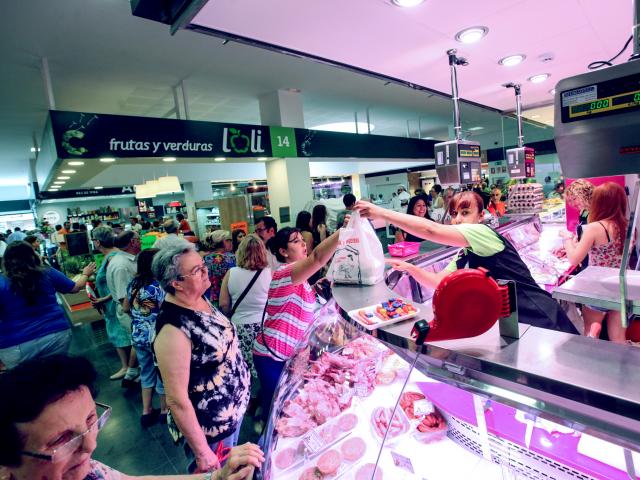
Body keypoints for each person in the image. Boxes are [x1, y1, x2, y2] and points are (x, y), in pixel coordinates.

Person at [0, 355, 264, 480]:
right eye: (62, 439)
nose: (91, 447)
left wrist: (214, 478)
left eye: (92, 420)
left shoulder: (88, 471)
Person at [356, 192, 578, 334]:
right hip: (517, 322)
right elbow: (438, 282)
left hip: (541, 315)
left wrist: (382, 213)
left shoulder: (483, 232)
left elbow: (432, 230)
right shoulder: (464, 253)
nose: (458, 219)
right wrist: (411, 269)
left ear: (481, 216)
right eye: (454, 214)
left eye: (465, 212)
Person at [153, 242, 251, 473]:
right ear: (176, 283)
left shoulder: (199, 298)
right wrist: (202, 452)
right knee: (221, 474)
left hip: (231, 412)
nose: (206, 271)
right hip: (211, 428)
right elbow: (176, 399)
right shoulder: (173, 329)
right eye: (196, 270)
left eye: (202, 264)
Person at [253, 227, 340, 426]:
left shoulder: (301, 280)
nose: (303, 244)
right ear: (283, 252)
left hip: (293, 354)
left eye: (303, 240)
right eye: (296, 241)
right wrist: (344, 231)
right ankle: (264, 444)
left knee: (290, 403)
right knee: (277, 406)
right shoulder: (284, 273)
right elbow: (318, 258)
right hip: (271, 355)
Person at [0, 242, 95, 369]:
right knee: (55, 375)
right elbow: (75, 288)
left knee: (27, 384)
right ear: (32, 255)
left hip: (16, 344)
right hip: (55, 334)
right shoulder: (47, 272)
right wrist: (85, 274)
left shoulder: (1, 282)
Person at [561, 182, 628, 342]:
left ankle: (591, 364)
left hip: (597, 288)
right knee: (618, 338)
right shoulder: (627, 225)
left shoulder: (594, 227)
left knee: (590, 335)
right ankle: (622, 366)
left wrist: (567, 238)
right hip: (620, 288)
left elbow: (574, 258)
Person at [219, 234, 271, 381]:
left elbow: (223, 304)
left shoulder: (231, 273)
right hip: (265, 325)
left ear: (240, 252)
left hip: (240, 326)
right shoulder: (270, 273)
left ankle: (249, 396)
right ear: (263, 252)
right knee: (264, 363)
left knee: (244, 365)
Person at [126, 248, 167, 427]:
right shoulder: (159, 286)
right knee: (162, 372)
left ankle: (146, 410)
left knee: (146, 371)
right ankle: (165, 410)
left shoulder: (133, 284)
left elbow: (126, 307)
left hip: (138, 335)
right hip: (157, 336)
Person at [91, 226, 134, 380]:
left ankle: (128, 367)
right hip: (112, 305)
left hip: (115, 304)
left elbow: (119, 286)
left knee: (122, 335)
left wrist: (104, 299)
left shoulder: (112, 258)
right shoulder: (112, 256)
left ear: (97, 242)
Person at [107, 230, 142, 387]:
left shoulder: (126, 260)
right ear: (133, 242)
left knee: (138, 342)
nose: (141, 241)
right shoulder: (121, 265)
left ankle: (133, 373)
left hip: (135, 309)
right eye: (138, 239)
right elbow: (123, 298)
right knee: (139, 342)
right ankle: (134, 374)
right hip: (131, 311)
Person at [563, 179, 596, 272]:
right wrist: (570, 245)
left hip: (593, 266)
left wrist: (568, 239)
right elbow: (582, 236)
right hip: (585, 260)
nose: (573, 204)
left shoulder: (596, 213)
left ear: (585, 194)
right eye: (570, 200)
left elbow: (592, 243)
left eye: (574, 198)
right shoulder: (584, 212)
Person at [202, 230, 236, 307]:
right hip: (227, 297)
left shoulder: (205, 258)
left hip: (209, 297)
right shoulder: (230, 258)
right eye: (228, 240)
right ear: (222, 242)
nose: (231, 242)